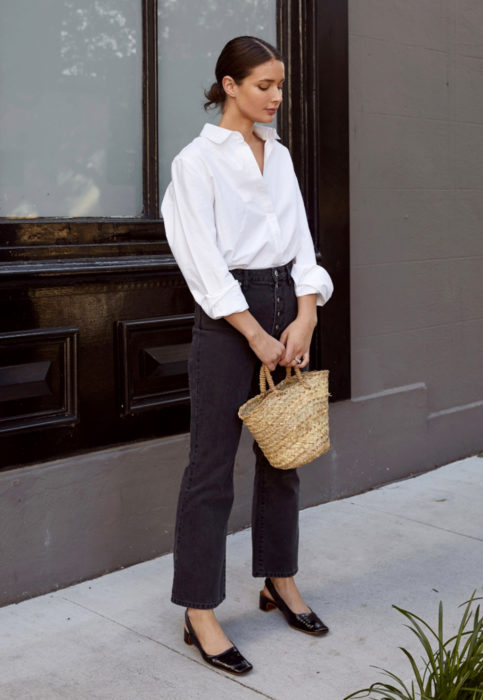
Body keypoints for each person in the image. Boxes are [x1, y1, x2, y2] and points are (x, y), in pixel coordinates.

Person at [161, 35, 334, 675]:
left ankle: (278, 581)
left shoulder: (280, 157)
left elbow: (303, 244)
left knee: (282, 457)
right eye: (264, 85)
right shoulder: (195, 163)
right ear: (229, 86)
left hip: (288, 304)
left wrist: (307, 313)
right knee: (210, 469)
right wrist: (255, 333)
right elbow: (202, 265)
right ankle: (200, 611)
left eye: (280, 86)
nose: (276, 97)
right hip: (228, 319)